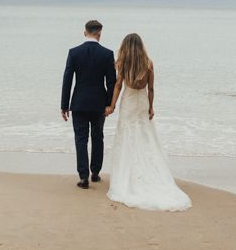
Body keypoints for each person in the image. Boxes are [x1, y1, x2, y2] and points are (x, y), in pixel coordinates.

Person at [105, 33, 191, 211]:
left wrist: (111, 105)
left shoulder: (122, 63)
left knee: (127, 137)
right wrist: (151, 107)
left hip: (128, 103)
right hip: (142, 102)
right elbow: (151, 88)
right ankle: (151, 173)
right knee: (145, 137)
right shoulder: (148, 63)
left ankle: (126, 176)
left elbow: (118, 85)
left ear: (126, 46)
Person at [61, 20, 116, 189]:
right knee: (97, 137)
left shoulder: (74, 52)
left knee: (81, 138)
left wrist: (64, 105)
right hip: (99, 103)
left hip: (79, 103)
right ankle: (95, 173)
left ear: (85, 32)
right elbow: (112, 82)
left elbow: (67, 80)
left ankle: (83, 177)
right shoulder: (107, 54)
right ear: (99, 34)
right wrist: (109, 104)